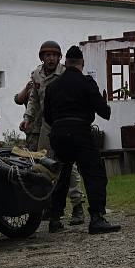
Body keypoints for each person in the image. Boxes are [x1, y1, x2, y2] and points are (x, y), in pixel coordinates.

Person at [44, 46, 121, 235]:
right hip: (80, 133)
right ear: (82, 64)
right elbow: (105, 112)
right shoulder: (87, 83)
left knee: (62, 175)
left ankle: (54, 219)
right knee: (94, 174)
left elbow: (47, 117)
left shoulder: (52, 87)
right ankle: (97, 218)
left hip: (59, 134)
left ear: (66, 63)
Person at [20, 40, 85, 225]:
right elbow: (33, 100)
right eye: (47, 55)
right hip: (45, 126)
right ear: (42, 57)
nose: (50, 59)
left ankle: (77, 204)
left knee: (68, 166)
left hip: (64, 124)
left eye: (54, 55)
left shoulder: (66, 74)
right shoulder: (36, 75)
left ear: (59, 58)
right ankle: (51, 206)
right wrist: (27, 118)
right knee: (44, 165)